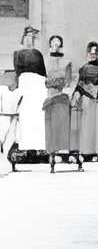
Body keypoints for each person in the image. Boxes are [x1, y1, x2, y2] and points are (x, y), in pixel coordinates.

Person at [39, 38, 78, 171]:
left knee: (64, 124)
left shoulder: (66, 62)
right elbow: (42, 77)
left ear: (61, 44)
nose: (55, 44)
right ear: (50, 44)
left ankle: (67, 152)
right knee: (51, 126)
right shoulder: (44, 60)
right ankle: (52, 153)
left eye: (58, 42)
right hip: (50, 94)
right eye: (53, 42)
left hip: (62, 95)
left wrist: (67, 90)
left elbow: (69, 79)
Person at [8, 29, 43, 169]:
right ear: (23, 38)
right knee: (26, 118)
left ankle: (37, 151)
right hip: (25, 83)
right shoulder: (18, 53)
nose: (30, 40)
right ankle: (26, 150)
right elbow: (17, 71)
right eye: (27, 37)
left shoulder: (38, 54)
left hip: (38, 85)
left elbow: (43, 71)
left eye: (32, 37)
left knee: (38, 117)